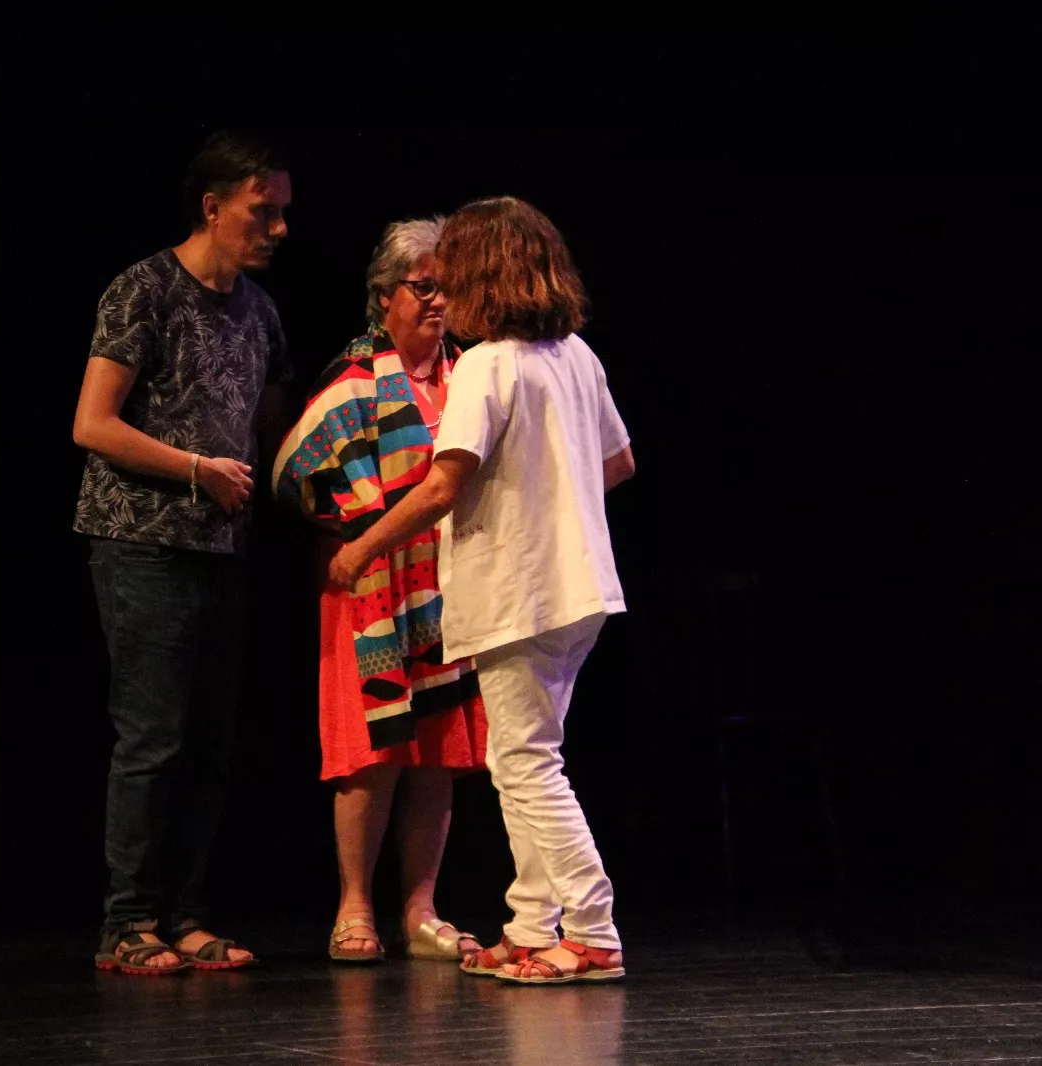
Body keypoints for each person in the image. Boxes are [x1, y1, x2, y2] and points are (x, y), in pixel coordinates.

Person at [328, 196, 636, 984]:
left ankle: (593, 929)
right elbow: (618, 464)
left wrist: (362, 546)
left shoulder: (489, 364)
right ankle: (533, 924)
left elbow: (441, 486)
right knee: (522, 754)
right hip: (580, 589)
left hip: (520, 591)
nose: (442, 291)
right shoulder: (576, 355)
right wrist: (550, 494)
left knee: (528, 763)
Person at [72, 131, 292, 974]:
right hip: (142, 544)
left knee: (209, 742)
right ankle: (126, 924)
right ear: (212, 205)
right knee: (153, 738)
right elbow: (92, 424)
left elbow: (273, 437)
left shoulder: (260, 312)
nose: (276, 228)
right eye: (261, 211)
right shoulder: (144, 290)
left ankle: (187, 914)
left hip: (223, 551)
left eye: (282, 213)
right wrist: (197, 470)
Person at [273, 219, 487, 965]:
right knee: (374, 751)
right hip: (373, 584)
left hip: (452, 583)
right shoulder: (354, 379)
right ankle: (354, 907)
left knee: (436, 750)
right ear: (383, 296)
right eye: (423, 287)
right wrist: (365, 526)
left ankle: (421, 911)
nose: (438, 301)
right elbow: (296, 470)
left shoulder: (471, 371)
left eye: (447, 288)